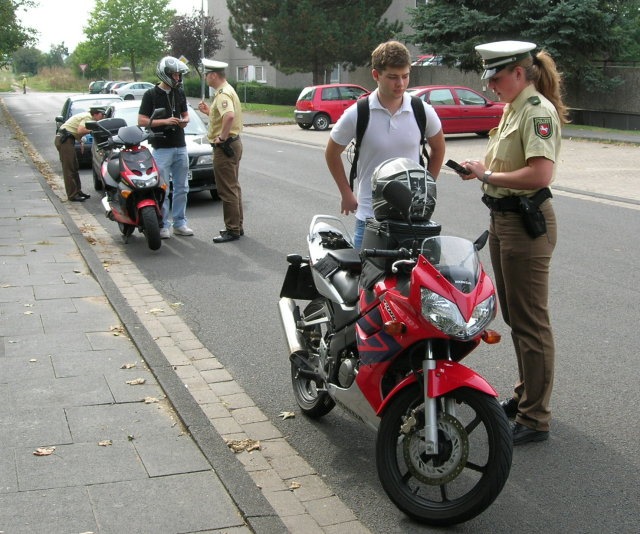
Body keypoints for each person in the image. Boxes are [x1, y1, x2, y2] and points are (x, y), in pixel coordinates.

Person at [455, 41, 569, 445]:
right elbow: (506, 166)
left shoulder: (537, 111)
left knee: (531, 322)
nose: (492, 86)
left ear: (519, 73)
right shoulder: (513, 110)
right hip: (503, 220)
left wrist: (489, 177)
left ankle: (536, 417)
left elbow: (540, 175)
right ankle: (525, 398)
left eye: (497, 77)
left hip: (526, 224)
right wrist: (480, 169)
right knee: (517, 319)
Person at [325, 40, 445, 250]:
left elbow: (439, 148)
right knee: (364, 280)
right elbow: (331, 153)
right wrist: (346, 193)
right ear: (376, 75)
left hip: (412, 219)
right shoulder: (358, 113)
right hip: (369, 217)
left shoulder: (422, 110)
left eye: (405, 76)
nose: (400, 83)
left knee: (411, 280)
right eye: (392, 77)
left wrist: (426, 187)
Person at [138, 56, 192, 239]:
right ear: (166, 74)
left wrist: (184, 121)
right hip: (161, 148)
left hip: (180, 145)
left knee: (182, 187)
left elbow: (186, 115)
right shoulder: (151, 95)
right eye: (175, 74)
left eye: (178, 75)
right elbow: (142, 120)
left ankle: (180, 223)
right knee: (162, 188)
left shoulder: (180, 92)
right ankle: (162, 224)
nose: (178, 78)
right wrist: (165, 121)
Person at [198, 58, 244, 243]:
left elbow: (230, 116)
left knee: (226, 190)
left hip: (225, 147)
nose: (206, 78)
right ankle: (237, 226)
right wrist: (209, 112)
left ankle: (232, 229)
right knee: (233, 187)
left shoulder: (223, 93)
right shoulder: (227, 90)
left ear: (214, 75)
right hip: (233, 144)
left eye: (207, 75)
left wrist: (222, 137)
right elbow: (223, 116)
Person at [55, 106, 105, 202]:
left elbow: (75, 131)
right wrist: (93, 130)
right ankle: (72, 195)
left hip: (68, 139)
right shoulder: (88, 117)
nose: (103, 117)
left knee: (74, 166)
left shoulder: (87, 116)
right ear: (95, 114)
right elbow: (80, 130)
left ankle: (78, 191)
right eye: (102, 115)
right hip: (64, 140)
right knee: (69, 168)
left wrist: (81, 140)